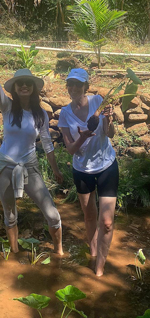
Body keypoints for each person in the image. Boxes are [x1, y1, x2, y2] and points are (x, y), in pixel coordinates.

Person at [0, 42, 65, 258]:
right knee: (10, 215)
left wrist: (56, 170)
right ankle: (15, 253)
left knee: (52, 214)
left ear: (33, 87)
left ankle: (60, 254)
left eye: (27, 83)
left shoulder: (41, 115)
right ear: (15, 88)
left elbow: (47, 144)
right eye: (20, 83)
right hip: (5, 166)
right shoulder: (8, 107)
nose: (24, 86)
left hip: (29, 166)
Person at [58, 68, 117, 276]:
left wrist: (109, 120)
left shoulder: (99, 102)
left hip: (106, 166)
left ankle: (99, 269)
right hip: (82, 169)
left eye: (78, 84)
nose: (73, 88)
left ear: (86, 87)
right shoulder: (64, 114)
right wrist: (84, 136)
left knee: (107, 223)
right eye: (70, 84)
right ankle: (93, 253)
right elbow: (71, 149)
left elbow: (110, 134)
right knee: (89, 214)